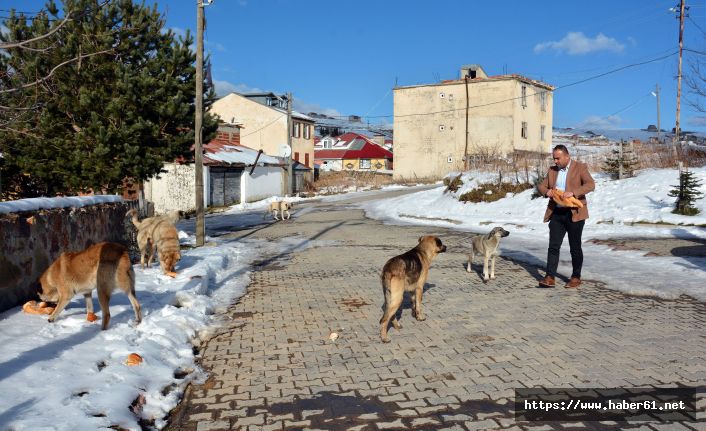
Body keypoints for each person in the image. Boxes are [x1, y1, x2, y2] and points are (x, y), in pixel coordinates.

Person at [537, 145, 595, 288]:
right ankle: (550, 277)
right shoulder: (552, 170)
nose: (555, 161)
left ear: (567, 156)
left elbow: (590, 184)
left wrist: (574, 192)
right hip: (557, 213)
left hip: (574, 213)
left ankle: (576, 277)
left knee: (575, 247)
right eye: (554, 158)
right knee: (553, 246)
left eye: (558, 158)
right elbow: (541, 186)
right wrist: (547, 192)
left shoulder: (580, 167)